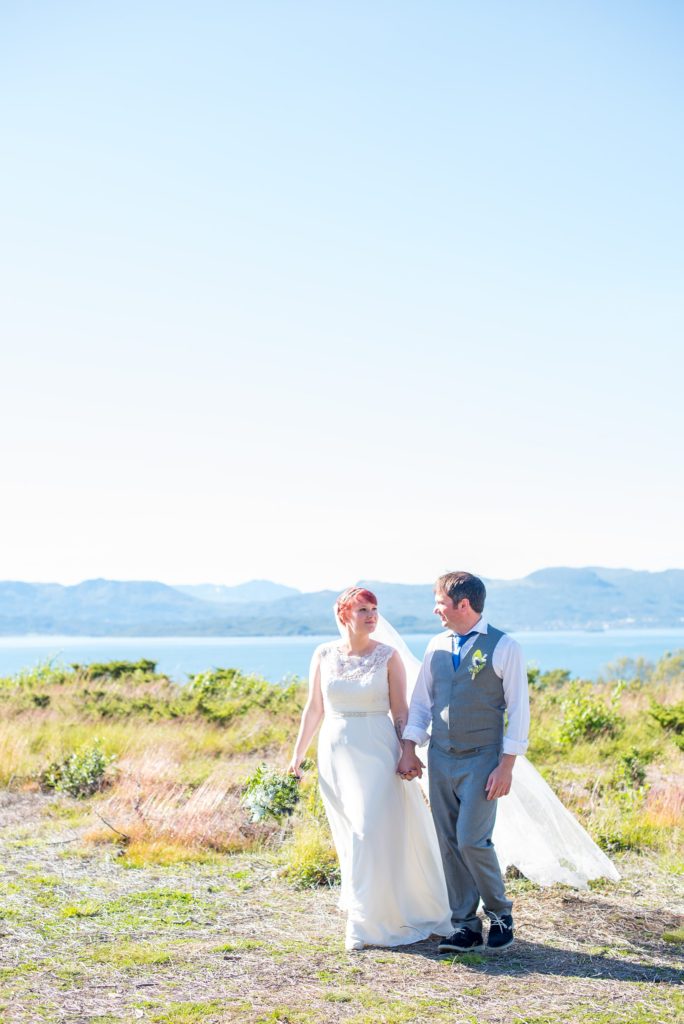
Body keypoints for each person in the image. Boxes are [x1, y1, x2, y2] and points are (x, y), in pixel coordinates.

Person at [288, 586, 452, 951]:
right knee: (351, 833)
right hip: (335, 751)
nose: (372, 616)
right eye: (363, 609)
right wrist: (296, 756)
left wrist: (406, 751)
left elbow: (402, 712)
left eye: (375, 609)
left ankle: (363, 925)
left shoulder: (388, 656)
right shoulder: (323, 654)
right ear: (343, 614)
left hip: (378, 750)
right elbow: (313, 708)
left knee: (368, 828)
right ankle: (370, 905)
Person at [397, 571, 528, 953]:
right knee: (449, 842)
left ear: (463, 604)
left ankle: (500, 913)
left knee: (472, 840)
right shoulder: (436, 645)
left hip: (483, 761)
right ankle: (465, 926)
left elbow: (519, 711)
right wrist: (410, 747)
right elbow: (422, 703)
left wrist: (507, 766)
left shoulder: (505, 647)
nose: (436, 610)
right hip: (440, 758)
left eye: (439, 602)